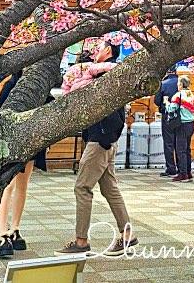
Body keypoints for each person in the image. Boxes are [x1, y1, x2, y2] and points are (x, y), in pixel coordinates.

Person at [58, 40, 136, 257]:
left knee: (82, 188)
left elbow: (111, 113)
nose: (95, 53)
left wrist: (104, 138)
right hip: (106, 139)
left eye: (99, 48)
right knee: (110, 188)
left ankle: (81, 240)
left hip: (100, 140)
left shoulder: (103, 75)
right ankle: (128, 235)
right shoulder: (106, 75)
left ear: (108, 51)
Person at [0, 71, 49, 258]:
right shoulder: (16, 84)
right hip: (17, 143)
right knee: (9, 186)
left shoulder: (31, 83)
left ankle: (13, 229)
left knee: (19, 186)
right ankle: (2, 233)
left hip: (29, 142)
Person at [169, 74, 194, 182]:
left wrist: (166, 103)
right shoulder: (191, 94)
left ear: (181, 84)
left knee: (180, 150)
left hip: (181, 124)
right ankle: (188, 172)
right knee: (187, 149)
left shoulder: (178, 95)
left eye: (178, 83)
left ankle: (183, 174)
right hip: (191, 124)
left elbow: (172, 109)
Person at [154, 66, 181, 177]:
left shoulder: (163, 84)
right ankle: (182, 168)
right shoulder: (181, 82)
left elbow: (156, 101)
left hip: (167, 115)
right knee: (180, 142)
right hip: (181, 116)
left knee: (168, 142)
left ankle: (171, 168)